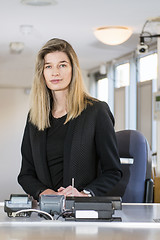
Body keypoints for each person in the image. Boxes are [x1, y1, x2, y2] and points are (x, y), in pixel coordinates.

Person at [18, 38, 122, 200]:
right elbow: (26, 174)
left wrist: (83, 194)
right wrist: (46, 193)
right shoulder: (35, 116)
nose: (55, 72)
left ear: (73, 69)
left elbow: (113, 171)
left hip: (81, 211)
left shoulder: (96, 111)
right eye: (48, 66)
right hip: (45, 211)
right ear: (42, 72)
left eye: (62, 65)